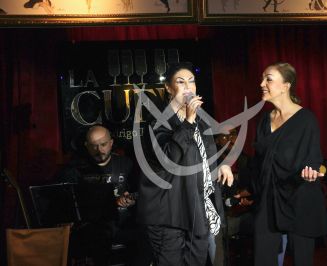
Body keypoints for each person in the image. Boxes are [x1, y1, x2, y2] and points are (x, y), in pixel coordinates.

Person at [137, 62, 234, 266]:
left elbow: (204, 160)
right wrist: (188, 122)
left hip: (196, 210)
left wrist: (221, 166)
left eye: (192, 81)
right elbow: (167, 159)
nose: (188, 86)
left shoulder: (202, 121)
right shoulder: (156, 120)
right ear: (169, 89)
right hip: (168, 216)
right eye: (181, 82)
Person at [237, 62, 327, 266]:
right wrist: (246, 190)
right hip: (268, 201)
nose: (262, 83)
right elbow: (258, 163)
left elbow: (314, 159)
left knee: (301, 261)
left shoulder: (306, 120)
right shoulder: (264, 120)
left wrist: (311, 172)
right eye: (262, 78)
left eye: (268, 79)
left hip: (299, 199)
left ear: (286, 86)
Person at [58, 125, 149, 265]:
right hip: (94, 227)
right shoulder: (75, 170)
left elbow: (142, 193)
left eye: (103, 144)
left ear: (111, 143)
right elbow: (67, 204)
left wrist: (132, 199)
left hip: (123, 224)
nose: (99, 150)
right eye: (94, 146)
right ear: (86, 146)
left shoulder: (125, 164)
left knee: (146, 236)